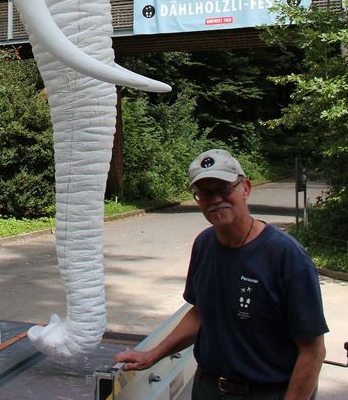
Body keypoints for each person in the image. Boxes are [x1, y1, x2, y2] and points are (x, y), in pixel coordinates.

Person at [114, 149, 328, 400]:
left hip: (267, 393)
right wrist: (152, 354)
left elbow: (313, 353)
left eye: (224, 188)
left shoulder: (285, 256)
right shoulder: (204, 245)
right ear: (197, 199)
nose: (216, 199)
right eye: (205, 192)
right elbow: (201, 313)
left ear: (245, 188)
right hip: (208, 389)